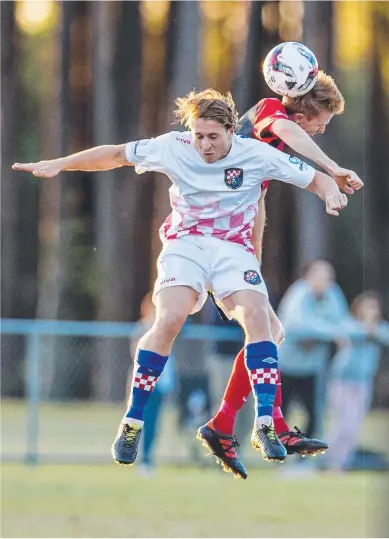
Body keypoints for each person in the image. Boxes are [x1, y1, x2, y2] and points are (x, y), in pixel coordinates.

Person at [12, 89, 350, 479]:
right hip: (184, 246)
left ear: (230, 131)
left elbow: (316, 180)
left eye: (213, 137)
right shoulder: (173, 147)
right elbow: (116, 154)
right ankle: (132, 421)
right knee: (169, 318)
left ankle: (264, 424)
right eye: (198, 136)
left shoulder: (255, 154)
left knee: (259, 317)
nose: (204, 145)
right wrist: (60, 164)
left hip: (231, 250)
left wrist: (331, 195)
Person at [198, 71, 363, 475]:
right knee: (267, 333)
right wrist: (330, 165)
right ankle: (261, 425)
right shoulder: (272, 113)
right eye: (322, 123)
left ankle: (226, 425)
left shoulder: (258, 149)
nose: (322, 131)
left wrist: (252, 260)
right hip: (208, 240)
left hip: (227, 244)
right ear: (306, 117)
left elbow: (256, 201)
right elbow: (287, 127)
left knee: (270, 332)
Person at [325, 291, 389, 472]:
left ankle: (342, 463)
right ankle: (330, 462)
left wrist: (375, 330)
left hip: (362, 383)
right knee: (341, 424)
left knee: (354, 424)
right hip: (342, 381)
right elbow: (343, 333)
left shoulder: (379, 328)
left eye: (375, 307)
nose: (372, 311)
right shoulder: (350, 324)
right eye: (368, 307)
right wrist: (366, 329)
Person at [276, 260, 350, 439]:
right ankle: (278, 454)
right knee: (280, 412)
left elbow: (342, 323)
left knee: (314, 415)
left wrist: (324, 333)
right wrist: (330, 333)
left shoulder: (333, 294)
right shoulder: (298, 293)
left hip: (312, 368)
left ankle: (305, 457)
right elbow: (298, 326)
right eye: (320, 277)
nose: (325, 281)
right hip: (286, 365)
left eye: (328, 278)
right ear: (309, 277)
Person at [129, 292, 175, 476]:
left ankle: (148, 458)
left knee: (154, 423)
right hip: (144, 383)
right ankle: (139, 457)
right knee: (140, 420)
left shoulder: (168, 328)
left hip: (161, 383)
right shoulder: (144, 328)